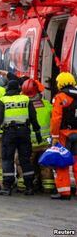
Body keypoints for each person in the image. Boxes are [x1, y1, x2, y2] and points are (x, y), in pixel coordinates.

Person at [0, 80, 41, 196]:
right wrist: (37, 131)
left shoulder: (3, 101)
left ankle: (7, 188)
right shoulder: (26, 99)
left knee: (7, 159)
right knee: (25, 159)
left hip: (9, 133)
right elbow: (33, 117)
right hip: (24, 132)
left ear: (7, 89)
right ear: (19, 89)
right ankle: (29, 187)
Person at [17, 78, 54, 193]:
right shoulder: (47, 105)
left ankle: (22, 184)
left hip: (29, 143)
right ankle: (48, 187)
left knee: (24, 162)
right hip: (45, 142)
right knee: (46, 165)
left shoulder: (21, 107)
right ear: (38, 92)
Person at [49, 72, 77, 200]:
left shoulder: (60, 97)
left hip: (64, 134)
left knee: (62, 163)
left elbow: (56, 118)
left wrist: (54, 135)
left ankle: (64, 192)